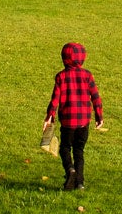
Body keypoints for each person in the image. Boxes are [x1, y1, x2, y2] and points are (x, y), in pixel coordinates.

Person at [42, 41, 104, 191]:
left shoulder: (61, 77)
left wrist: (49, 116)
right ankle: (80, 183)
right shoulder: (87, 76)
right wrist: (99, 116)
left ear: (63, 58)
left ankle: (70, 170)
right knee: (79, 151)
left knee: (65, 148)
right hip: (83, 122)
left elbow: (55, 99)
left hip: (68, 122)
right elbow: (96, 97)